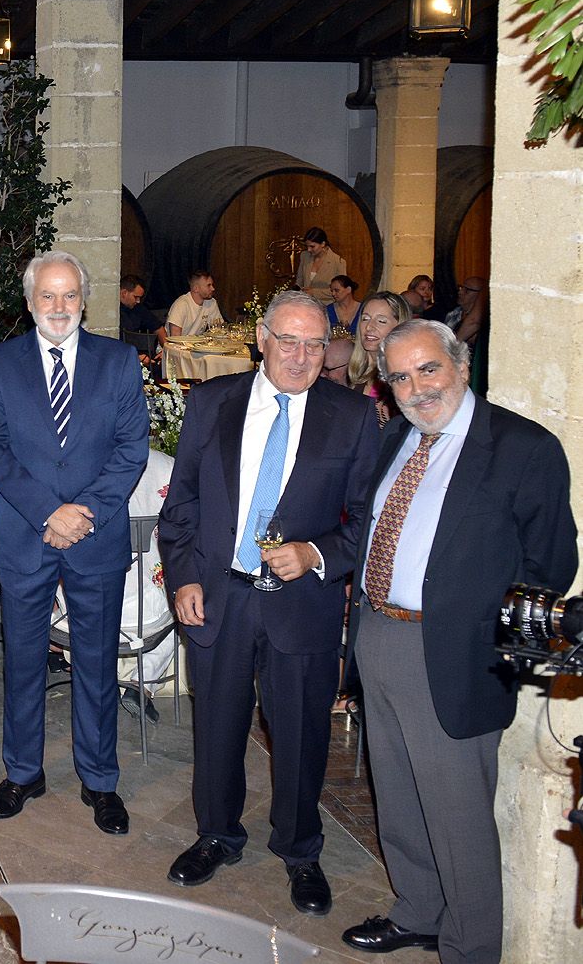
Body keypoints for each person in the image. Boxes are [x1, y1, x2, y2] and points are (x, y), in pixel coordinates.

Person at [341, 320, 576, 962]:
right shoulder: (397, 436)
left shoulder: (523, 448)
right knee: (397, 792)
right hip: (380, 633)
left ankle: (471, 949)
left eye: (428, 370)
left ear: (460, 365)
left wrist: (486, 645)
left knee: (458, 816)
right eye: (400, 376)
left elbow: (551, 567)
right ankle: (417, 910)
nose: (417, 388)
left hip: (453, 655)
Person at [158, 290, 380, 916]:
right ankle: (217, 834)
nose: (301, 355)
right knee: (219, 726)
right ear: (261, 338)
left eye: (314, 344)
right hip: (221, 592)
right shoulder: (210, 402)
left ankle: (301, 850)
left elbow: (367, 519)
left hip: (301, 601)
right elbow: (183, 507)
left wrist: (317, 554)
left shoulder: (352, 416)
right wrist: (184, 578)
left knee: (303, 734)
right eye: (289, 340)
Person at [0, 251, 148, 834]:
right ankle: (23, 772)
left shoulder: (119, 362)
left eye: (68, 296)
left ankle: (100, 780)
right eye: (47, 296)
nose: (58, 307)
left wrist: (86, 515)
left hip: (94, 540)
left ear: (84, 301)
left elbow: (132, 450)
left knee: (97, 666)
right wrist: (49, 511)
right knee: (23, 662)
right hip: (27, 537)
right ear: (29, 303)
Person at [347, 291, 413, 425]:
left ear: (399, 327)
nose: (369, 327)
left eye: (381, 321)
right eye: (365, 318)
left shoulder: (402, 379)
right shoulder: (358, 374)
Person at [295, 227, 346, 303]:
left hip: (327, 306)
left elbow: (340, 290)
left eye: (312, 246)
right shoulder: (304, 256)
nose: (308, 249)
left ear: (323, 244)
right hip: (306, 305)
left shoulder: (338, 262)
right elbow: (299, 280)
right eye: (307, 246)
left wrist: (313, 292)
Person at [165, 270, 222, 337]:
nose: (213, 288)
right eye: (208, 285)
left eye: (212, 285)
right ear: (196, 288)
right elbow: (175, 337)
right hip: (175, 346)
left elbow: (219, 330)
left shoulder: (211, 302)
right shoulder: (181, 304)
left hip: (196, 346)